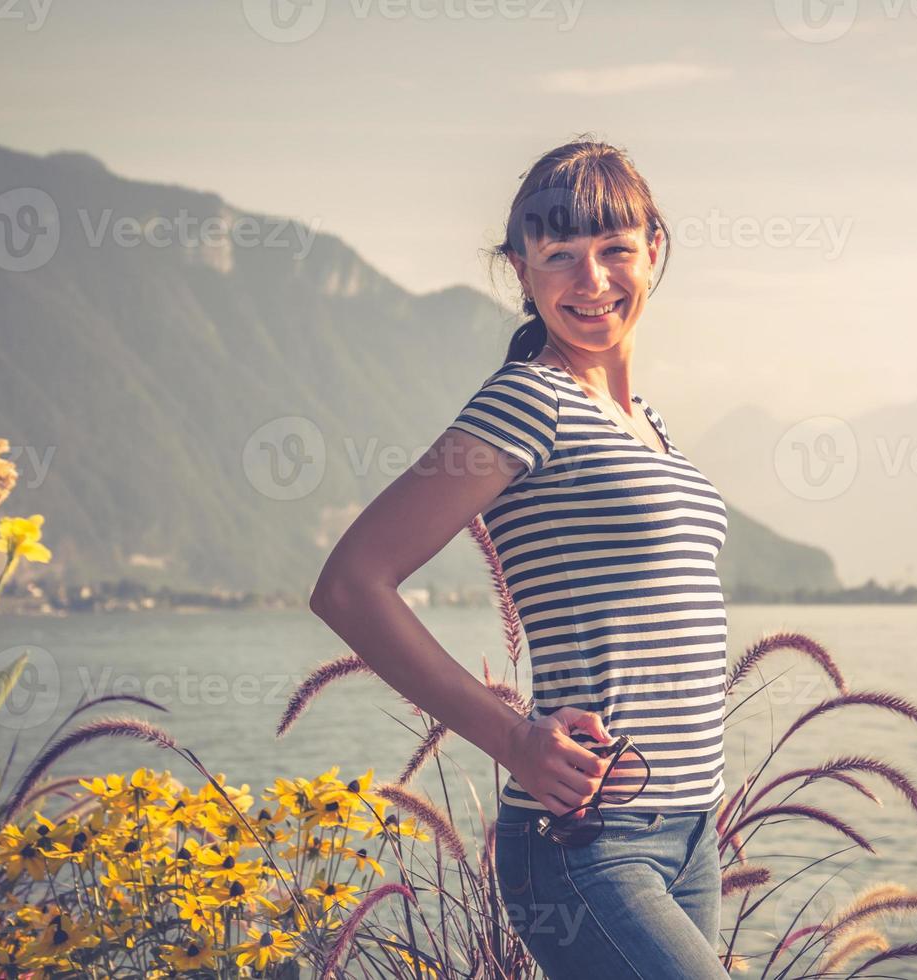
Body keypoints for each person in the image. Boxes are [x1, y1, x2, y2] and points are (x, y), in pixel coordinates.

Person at [309, 137, 731, 979]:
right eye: (561, 257)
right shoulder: (528, 400)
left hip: (692, 835)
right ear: (521, 270)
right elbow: (352, 586)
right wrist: (515, 741)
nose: (593, 280)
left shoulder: (643, 420)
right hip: (587, 844)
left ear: (656, 250)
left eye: (615, 251)